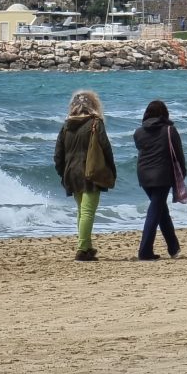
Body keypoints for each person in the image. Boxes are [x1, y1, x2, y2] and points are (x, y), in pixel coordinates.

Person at [54, 90, 116, 261]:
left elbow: (58, 154)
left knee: (82, 211)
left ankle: (87, 247)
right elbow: (105, 148)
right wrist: (111, 169)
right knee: (88, 212)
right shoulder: (96, 123)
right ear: (94, 105)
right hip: (91, 173)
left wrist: (63, 173)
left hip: (71, 174)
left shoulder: (66, 126)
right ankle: (82, 249)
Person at [133, 100, 184, 261]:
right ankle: (144, 251)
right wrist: (182, 173)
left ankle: (173, 248)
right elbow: (179, 154)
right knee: (155, 212)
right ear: (164, 114)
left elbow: (142, 150)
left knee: (161, 211)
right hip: (163, 176)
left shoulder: (138, 132)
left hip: (144, 176)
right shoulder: (170, 130)